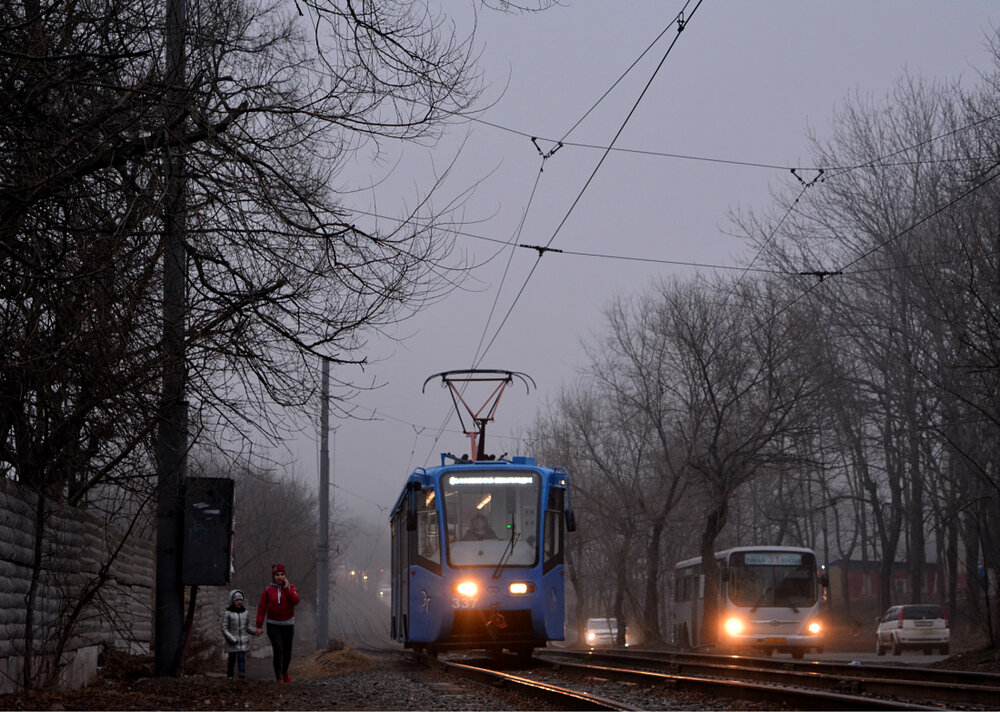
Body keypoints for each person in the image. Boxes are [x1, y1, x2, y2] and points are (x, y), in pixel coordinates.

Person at [256, 563, 300, 682]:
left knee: (287, 651)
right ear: (273, 576)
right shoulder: (268, 590)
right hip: (273, 624)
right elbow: (262, 608)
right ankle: (278, 677)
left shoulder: (291, 588)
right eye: (277, 575)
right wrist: (259, 625)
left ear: (285, 576)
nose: (279, 577)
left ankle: (284, 671)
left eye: (282, 574)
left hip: (288, 624)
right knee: (278, 649)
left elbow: (295, 601)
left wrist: (286, 589)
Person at [220, 590, 251, 679]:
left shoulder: (245, 612)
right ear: (232, 601)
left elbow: (247, 626)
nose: (239, 602)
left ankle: (242, 674)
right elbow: (224, 628)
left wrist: (255, 631)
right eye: (237, 600)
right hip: (232, 641)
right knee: (232, 659)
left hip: (242, 641)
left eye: (240, 600)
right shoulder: (228, 613)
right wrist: (231, 639)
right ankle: (230, 675)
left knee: (241, 658)